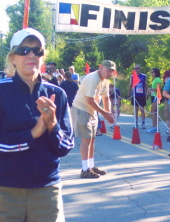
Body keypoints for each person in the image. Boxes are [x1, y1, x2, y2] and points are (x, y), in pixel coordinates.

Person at [0, 27, 74, 221]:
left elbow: (65, 147)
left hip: (46, 190)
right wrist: (34, 133)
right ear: (13, 58)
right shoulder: (2, 92)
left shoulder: (57, 94)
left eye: (37, 51)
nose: (31, 55)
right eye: (24, 50)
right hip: (6, 191)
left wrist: (53, 125)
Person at [71, 60, 115, 178]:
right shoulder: (93, 78)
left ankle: (91, 166)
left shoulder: (105, 81)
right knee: (86, 140)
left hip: (92, 111)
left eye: (111, 71)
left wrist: (109, 113)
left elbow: (106, 99)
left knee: (92, 139)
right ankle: (85, 169)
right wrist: (104, 113)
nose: (109, 73)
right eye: (107, 70)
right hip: (82, 109)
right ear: (101, 68)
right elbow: (90, 100)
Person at [127, 64, 147, 129]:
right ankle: (136, 122)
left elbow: (146, 85)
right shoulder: (132, 76)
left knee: (142, 109)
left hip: (142, 94)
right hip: (135, 95)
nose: (136, 69)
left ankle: (143, 123)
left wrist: (147, 93)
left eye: (137, 68)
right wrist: (128, 94)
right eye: (135, 68)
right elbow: (130, 85)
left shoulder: (144, 76)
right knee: (135, 109)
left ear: (140, 68)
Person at [147, 68, 162, 133]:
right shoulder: (154, 80)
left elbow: (158, 89)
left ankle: (154, 126)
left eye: (153, 72)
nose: (152, 73)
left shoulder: (158, 79)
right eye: (151, 72)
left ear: (156, 72)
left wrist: (151, 89)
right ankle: (155, 126)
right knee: (154, 112)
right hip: (153, 96)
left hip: (156, 96)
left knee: (153, 111)